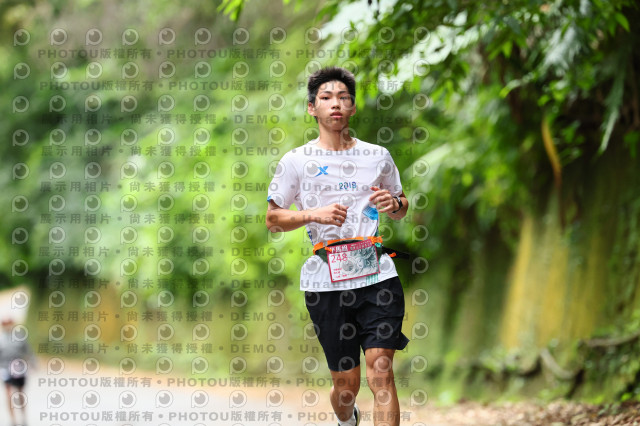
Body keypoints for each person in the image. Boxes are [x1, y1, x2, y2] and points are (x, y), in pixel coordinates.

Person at [266, 66, 409, 426]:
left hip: (377, 276)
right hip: (326, 283)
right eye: (326, 98)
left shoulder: (377, 156)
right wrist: (313, 214)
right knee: (347, 387)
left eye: (344, 98)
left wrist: (395, 204)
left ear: (353, 108)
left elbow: (401, 204)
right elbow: (273, 219)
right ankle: (347, 417)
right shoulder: (295, 162)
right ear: (311, 108)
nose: (336, 104)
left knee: (381, 370)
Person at [0, 317, 33, 426]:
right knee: (9, 394)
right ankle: (13, 420)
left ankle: (23, 417)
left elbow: (28, 351)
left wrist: (32, 363)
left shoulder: (20, 337)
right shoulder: (1, 339)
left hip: (19, 368)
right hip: (5, 369)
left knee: (20, 393)